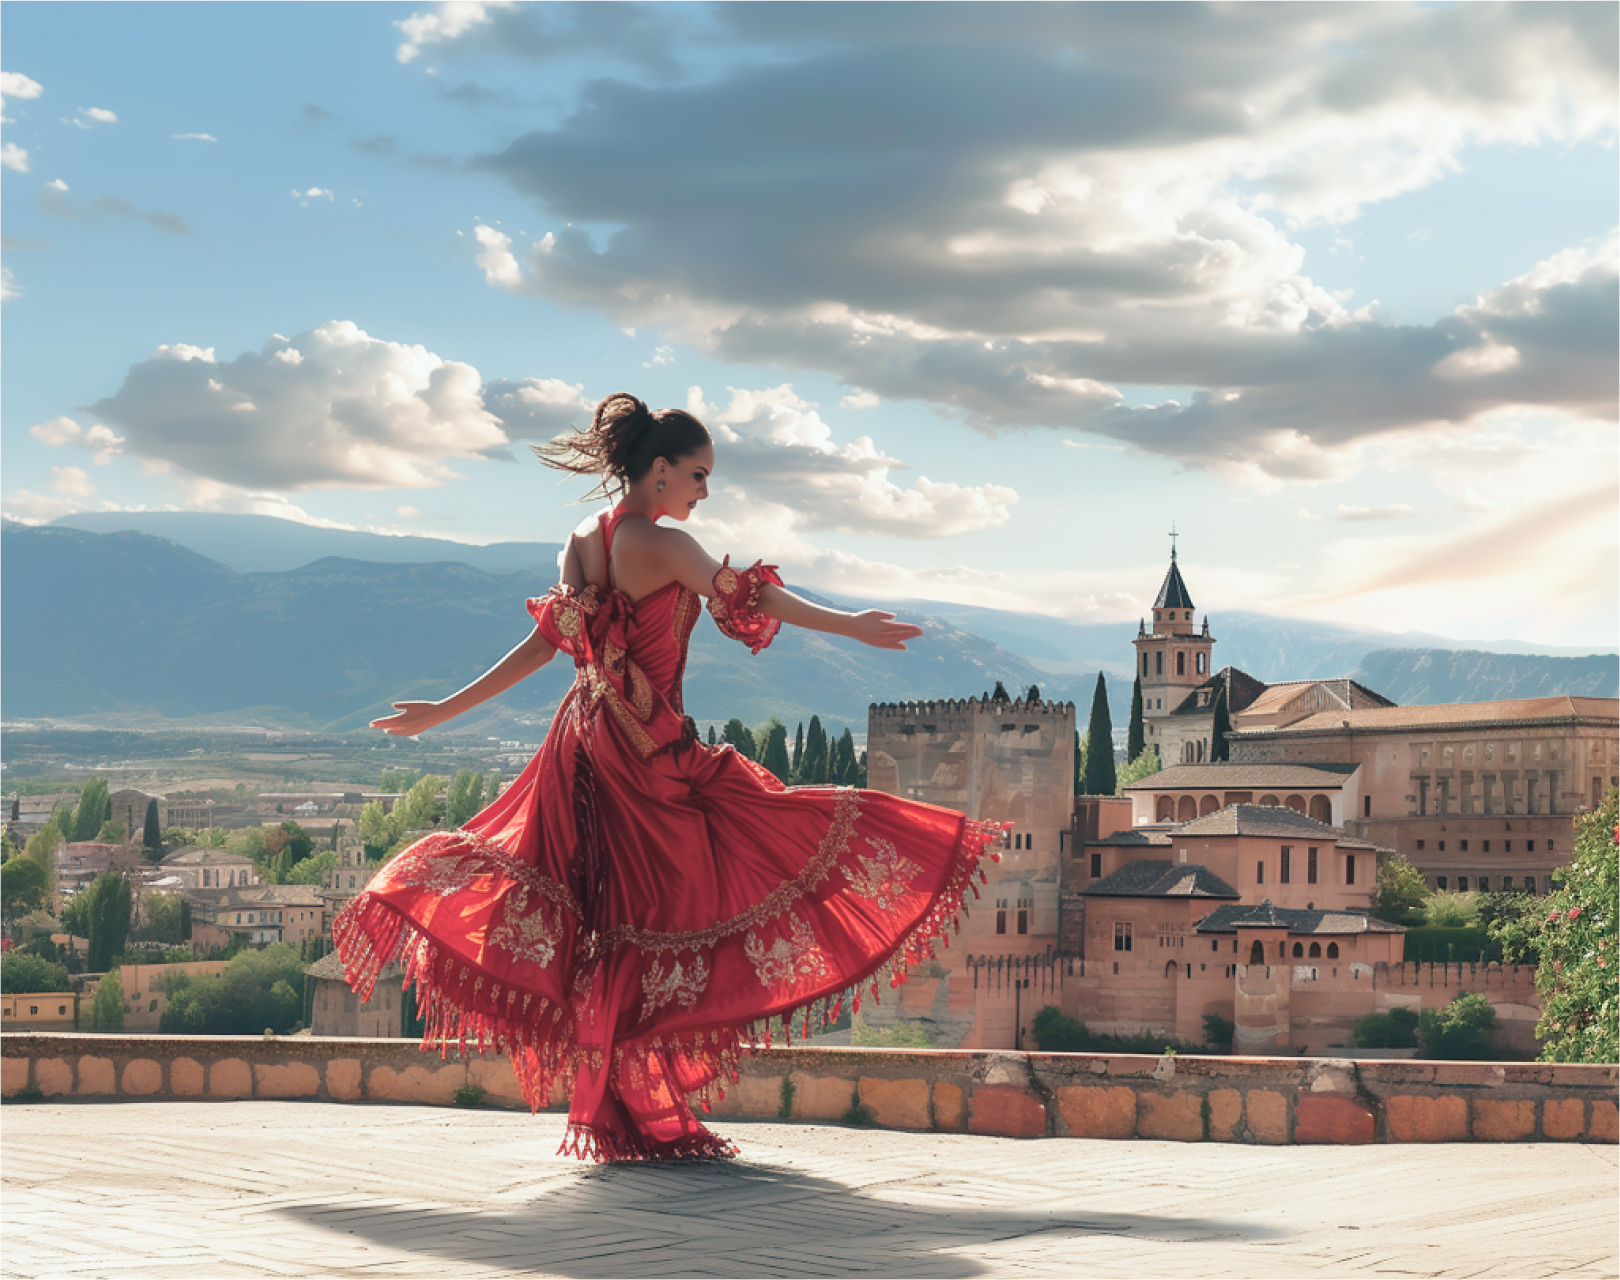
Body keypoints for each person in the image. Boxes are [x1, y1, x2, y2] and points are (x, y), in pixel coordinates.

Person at [333, 392, 1005, 1162]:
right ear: (659, 471)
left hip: (580, 746)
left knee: (609, 921)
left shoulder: (582, 540)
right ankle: (637, 1106)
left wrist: (443, 711)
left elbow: (544, 648)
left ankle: (630, 1109)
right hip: (645, 756)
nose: (704, 492)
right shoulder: (663, 545)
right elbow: (755, 596)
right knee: (712, 874)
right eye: (698, 475)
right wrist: (851, 625)